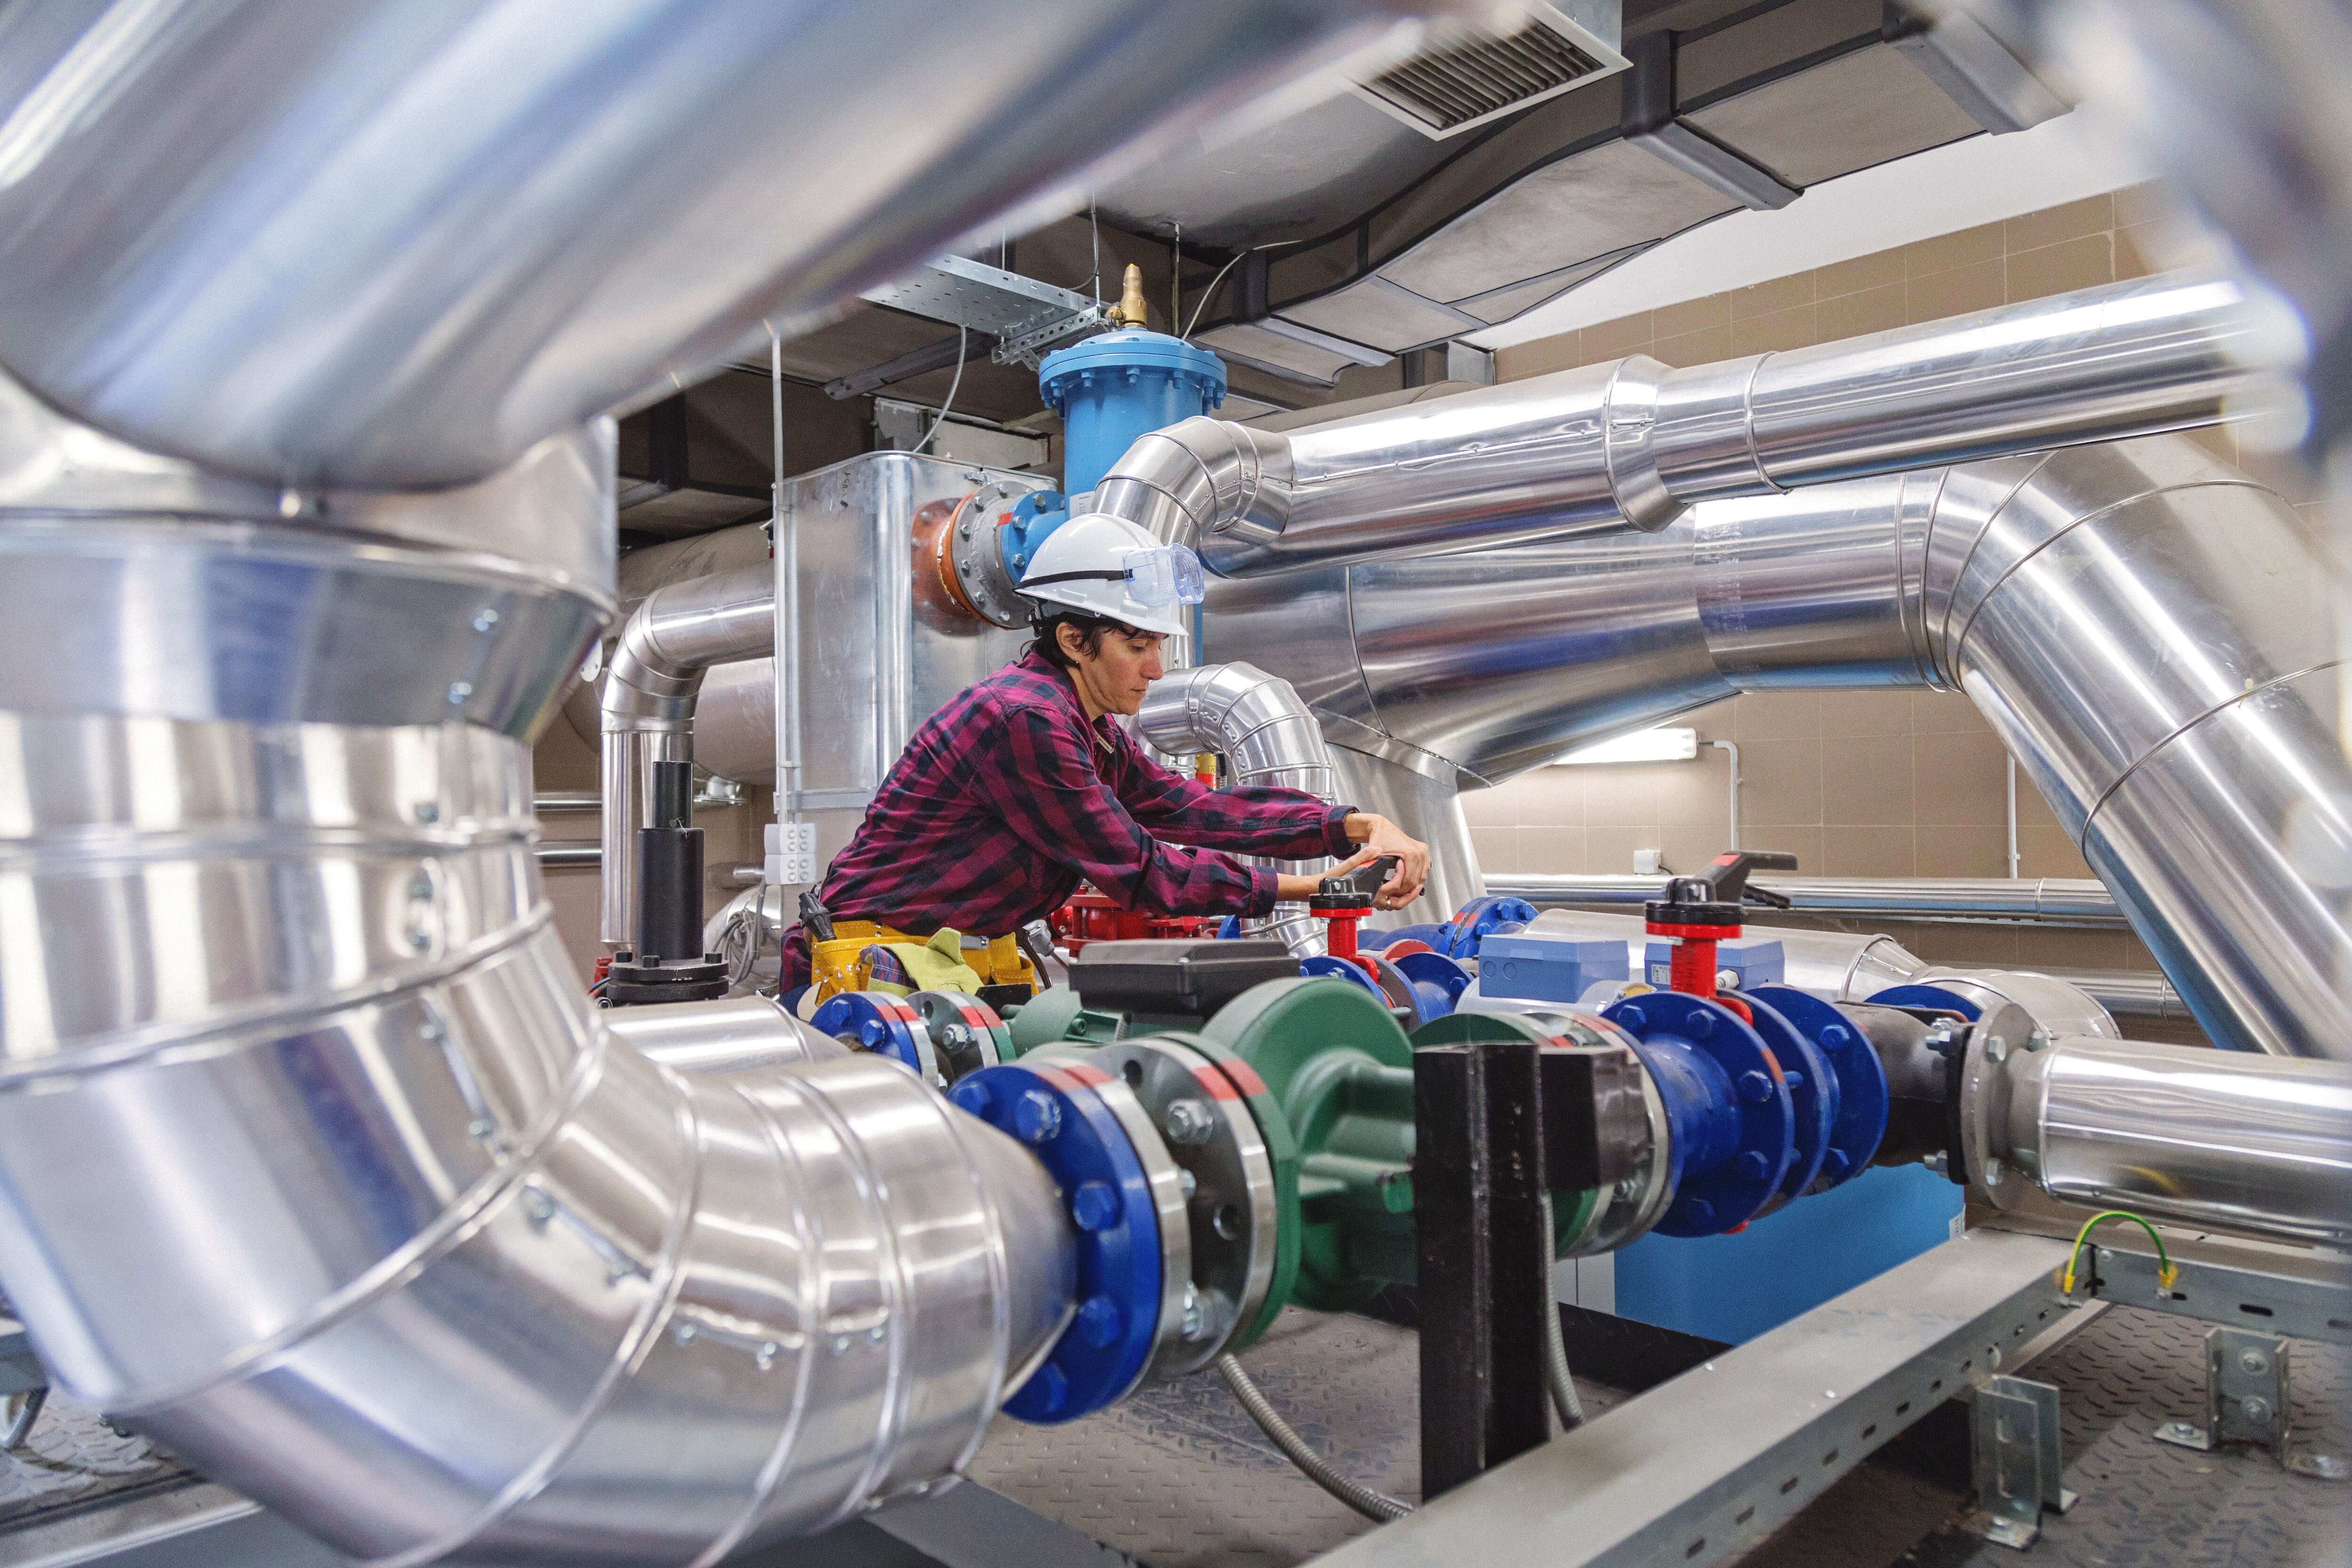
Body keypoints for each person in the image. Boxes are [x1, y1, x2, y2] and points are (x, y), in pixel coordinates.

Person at [776, 512, 1430, 1006]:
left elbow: (1195, 806)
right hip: (872, 966)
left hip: (950, 959)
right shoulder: (1026, 719)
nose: (1157, 667)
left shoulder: (1092, 728)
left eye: (1160, 643)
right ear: (1072, 638)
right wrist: (1314, 889)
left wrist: (1356, 825)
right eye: (1138, 643)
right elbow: (1144, 872)